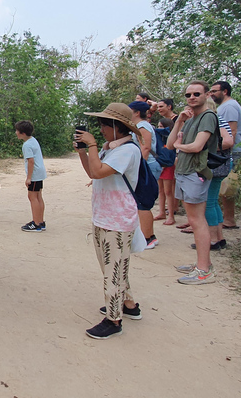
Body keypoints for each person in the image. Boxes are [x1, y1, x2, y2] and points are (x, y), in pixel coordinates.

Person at [74, 103, 143, 339]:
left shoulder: (128, 150)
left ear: (117, 126)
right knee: (114, 267)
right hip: (104, 216)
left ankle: (114, 320)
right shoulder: (110, 148)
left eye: (104, 124)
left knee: (113, 271)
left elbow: (99, 172)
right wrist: (84, 151)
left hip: (117, 219)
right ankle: (130, 305)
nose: (101, 128)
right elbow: (91, 171)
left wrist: (92, 145)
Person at [167, 81, 219, 285]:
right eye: (188, 94)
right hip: (185, 172)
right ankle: (202, 263)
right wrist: (179, 122)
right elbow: (171, 144)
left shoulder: (208, 117)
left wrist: (180, 145)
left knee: (197, 220)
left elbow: (197, 146)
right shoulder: (190, 118)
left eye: (196, 93)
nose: (191, 97)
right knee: (195, 219)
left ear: (206, 95)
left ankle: (204, 270)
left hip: (194, 173)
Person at [189, 99, 234, 251]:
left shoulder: (214, 120)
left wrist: (204, 149)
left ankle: (212, 239)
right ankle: (219, 237)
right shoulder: (214, 119)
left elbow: (228, 141)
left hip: (215, 166)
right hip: (219, 165)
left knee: (207, 202)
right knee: (213, 201)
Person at [210, 80, 241, 230]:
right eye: (210, 91)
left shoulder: (229, 107)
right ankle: (223, 218)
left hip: (229, 152)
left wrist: (225, 153)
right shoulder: (224, 106)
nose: (212, 94)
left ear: (225, 91)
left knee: (228, 185)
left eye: (214, 91)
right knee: (221, 187)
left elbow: (232, 131)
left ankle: (229, 219)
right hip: (226, 151)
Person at [129, 100, 161, 249]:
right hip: (144, 166)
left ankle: (149, 237)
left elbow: (146, 148)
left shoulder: (142, 126)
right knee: (139, 202)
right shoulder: (139, 126)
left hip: (147, 167)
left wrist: (139, 168)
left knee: (143, 202)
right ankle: (144, 234)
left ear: (136, 112)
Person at [15, 120, 47, 232]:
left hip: (34, 174)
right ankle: (41, 221)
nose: (16, 133)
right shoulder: (33, 140)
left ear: (23, 133)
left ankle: (36, 223)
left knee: (32, 197)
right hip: (39, 172)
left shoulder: (27, 145)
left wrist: (29, 177)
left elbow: (31, 161)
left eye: (17, 131)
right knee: (38, 196)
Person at [153, 117, 177, 226]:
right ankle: (162, 212)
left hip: (168, 165)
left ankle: (171, 215)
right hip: (160, 163)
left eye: (161, 126)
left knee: (168, 191)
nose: (159, 129)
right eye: (158, 126)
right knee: (161, 190)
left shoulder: (170, 137)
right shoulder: (158, 137)